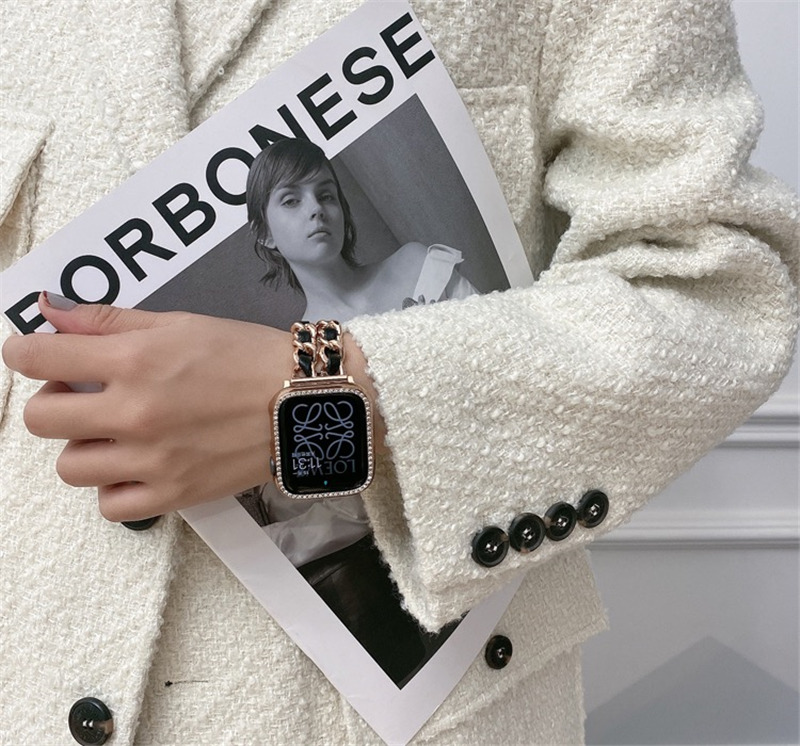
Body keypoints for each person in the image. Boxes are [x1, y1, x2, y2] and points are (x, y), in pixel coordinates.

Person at [1, 2, 797, 745]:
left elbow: (719, 297)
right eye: (290, 202)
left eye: (325, 192)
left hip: (414, 683)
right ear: (264, 234)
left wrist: (334, 397)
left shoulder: (423, 266)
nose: (316, 210)